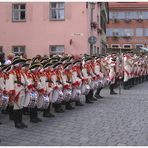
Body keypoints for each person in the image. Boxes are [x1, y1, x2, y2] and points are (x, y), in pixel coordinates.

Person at [9, 57, 28, 129]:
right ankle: (16, 123)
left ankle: (21, 121)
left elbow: (26, 80)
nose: (21, 65)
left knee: (21, 106)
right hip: (17, 91)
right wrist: (12, 91)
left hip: (22, 90)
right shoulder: (12, 72)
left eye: (22, 64)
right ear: (16, 64)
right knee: (16, 107)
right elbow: (11, 83)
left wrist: (28, 86)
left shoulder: (21, 72)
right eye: (20, 64)